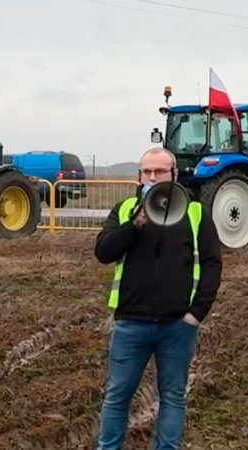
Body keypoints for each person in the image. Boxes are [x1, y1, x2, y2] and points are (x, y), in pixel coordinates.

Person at [93, 147, 222, 450]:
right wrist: (134, 226)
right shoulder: (126, 210)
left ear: (173, 175)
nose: (153, 177)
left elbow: (212, 263)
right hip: (131, 323)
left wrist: (197, 312)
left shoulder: (194, 212)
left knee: (173, 396)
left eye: (160, 171)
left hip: (177, 325)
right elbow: (104, 252)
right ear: (140, 176)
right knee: (117, 396)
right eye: (147, 172)